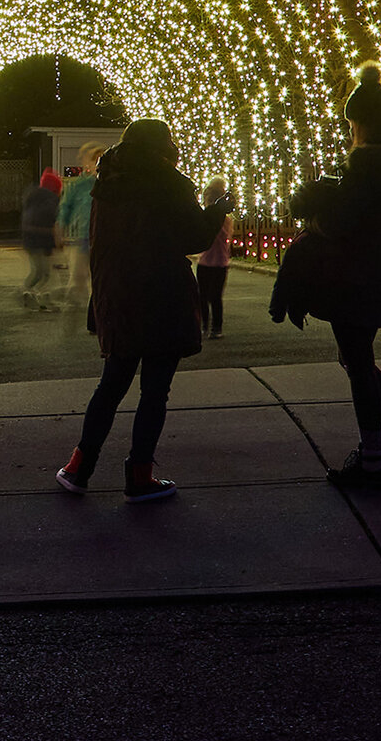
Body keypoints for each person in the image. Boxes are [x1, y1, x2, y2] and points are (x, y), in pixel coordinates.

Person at [270, 63, 381, 490]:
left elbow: (343, 221)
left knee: (357, 362)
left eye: (351, 124)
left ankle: (372, 458)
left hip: (354, 274)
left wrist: (313, 205)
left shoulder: (368, 166)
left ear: (360, 121)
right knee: (359, 358)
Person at [54, 120, 231, 501]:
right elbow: (192, 238)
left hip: (118, 296)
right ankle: (139, 475)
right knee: (154, 392)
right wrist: (216, 212)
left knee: (111, 385)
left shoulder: (108, 183)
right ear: (160, 145)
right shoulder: (170, 182)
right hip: (162, 296)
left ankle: (78, 467)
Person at [55, 144, 104, 308]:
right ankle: (72, 312)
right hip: (82, 237)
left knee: (99, 279)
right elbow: (66, 207)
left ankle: (95, 312)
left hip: (103, 239)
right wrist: (60, 228)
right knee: (77, 277)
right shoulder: (79, 185)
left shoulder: (108, 184)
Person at [18, 169, 62, 308]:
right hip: (43, 240)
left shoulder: (32, 196)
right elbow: (54, 222)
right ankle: (35, 294)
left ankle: (28, 291)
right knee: (45, 273)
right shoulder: (52, 200)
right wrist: (58, 241)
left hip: (30, 240)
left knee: (36, 270)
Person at [195, 179, 232, 338]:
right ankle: (209, 327)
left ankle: (213, 327)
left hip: (216, 262)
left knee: (213, 297)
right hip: (210, 262)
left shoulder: (220, 219)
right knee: (206, 297)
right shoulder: (219, 218)